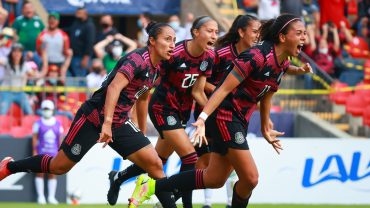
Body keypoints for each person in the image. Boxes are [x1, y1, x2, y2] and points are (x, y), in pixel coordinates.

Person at [127, 13, 308, 208]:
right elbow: (222, 88)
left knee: (215, 179)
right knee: (250, 178)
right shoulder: (256, 56)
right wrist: (203, 118)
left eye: (304, 33)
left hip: (238, 119)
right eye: (299, 33)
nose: (304, 38)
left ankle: (151, 187)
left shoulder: (282, 63)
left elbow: (267, 94)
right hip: (224, 116)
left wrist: (265, 126)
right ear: (282, 37)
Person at [0, 21, 178, 208]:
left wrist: (141, 131)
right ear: (151, 40)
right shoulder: (137, 59)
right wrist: (106, 124)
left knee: (155, 165)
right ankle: (10, 167)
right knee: (58, 167)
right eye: (167, 39)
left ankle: (118, 180)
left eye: (174, 40)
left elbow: (141, 99)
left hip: (120, 122)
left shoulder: (156, 69)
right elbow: (114, 88)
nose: (172, 45)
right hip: (93, 118)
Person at [107, 16, 218, 208]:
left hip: (182, 112)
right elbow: (146, 81)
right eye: (210, 31)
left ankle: (118, 177)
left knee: (157, 161)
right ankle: (185, 204)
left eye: (217, 32)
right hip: (162, 108)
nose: (214, 36)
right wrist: (133, 112)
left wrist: (211, 115)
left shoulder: (209, 57)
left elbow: (197, 92)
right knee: (190, 157)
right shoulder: (175, 53)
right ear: (195, 32)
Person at [33, 100, 63, 205]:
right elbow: (35, 139)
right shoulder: (38, 123)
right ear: (42, 110)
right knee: (40, 174)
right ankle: (41, 197)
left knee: (52, 174)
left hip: (54, 153)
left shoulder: (58, 123)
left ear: (52, 110)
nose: (46, 111)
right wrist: (34, 151)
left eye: (48, 109)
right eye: (45, 109)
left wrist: (61, 153)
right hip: (41, 152)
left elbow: (60, 140)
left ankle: (51, 197)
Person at [0, 43, 34, 115]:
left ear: (22, 53)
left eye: (19, 51)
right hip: (7, 91)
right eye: (14, 51)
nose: (17, 54)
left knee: (30, 113)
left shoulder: (25, 65)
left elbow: (36, 75)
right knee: (2, 112)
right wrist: (1, 44)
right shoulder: (6, 61)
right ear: (11, 53)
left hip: (20, 93)